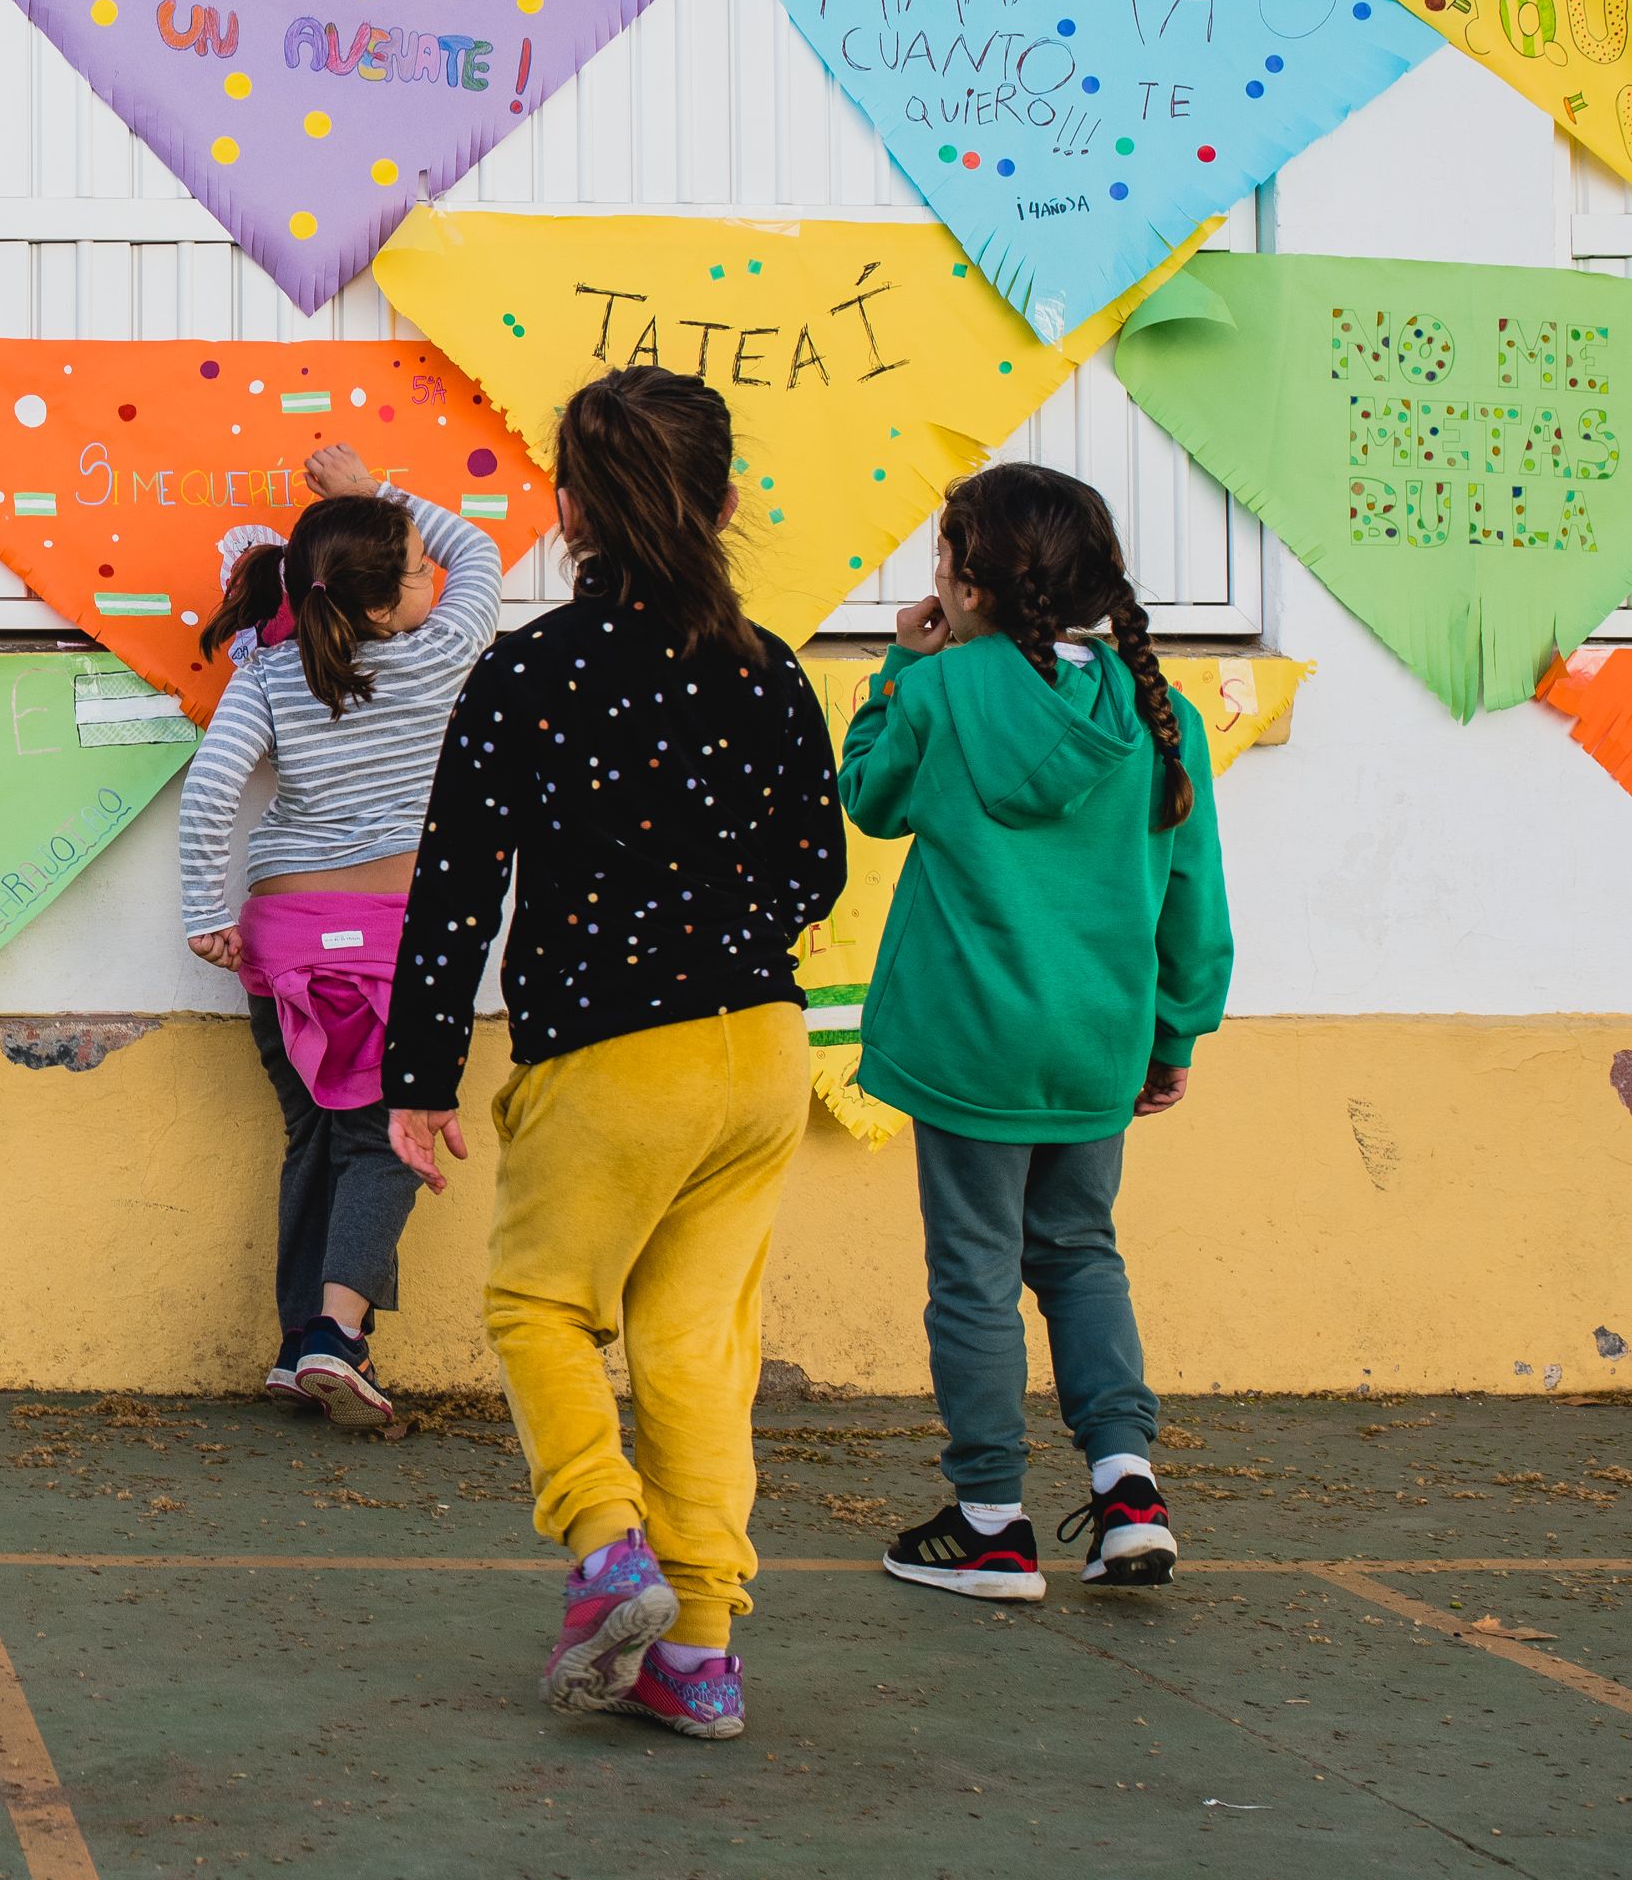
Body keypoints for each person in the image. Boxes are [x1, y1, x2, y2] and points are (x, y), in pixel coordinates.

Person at [373, 364, 846, 1742]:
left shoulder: (526, 671)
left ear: (566, 509)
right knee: (700, 1351)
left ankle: (605, 1543)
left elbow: (457, 884)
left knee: (539, 1308)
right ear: (726, 499)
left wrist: (416, 1074)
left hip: (608, 1055)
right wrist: (721, 918)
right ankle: (697, 1656)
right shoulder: (771, 674)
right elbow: (814, 874)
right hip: (757, 1052)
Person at [842, 464, 1229, 1604]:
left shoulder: (940, 694)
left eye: (944, 557)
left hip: (968, 1043)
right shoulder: (1158, 712)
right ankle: (1127, 1491)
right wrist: (1177, 1032)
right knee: (1079, 1255)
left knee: (973, 1273)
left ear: (970, 585)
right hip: (1096, 1042)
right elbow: (1191, 894)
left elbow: (866, 798)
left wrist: (900, 667)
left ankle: (991, 1521)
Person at [177, 445, 507, 1435]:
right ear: (377, 607)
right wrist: (375, 491)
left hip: (281, 936)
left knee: (312, 1134)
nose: (431, 577)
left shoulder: (274, 674)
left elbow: (211, 788)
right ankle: (336, 1336)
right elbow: (480, 551)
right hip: (391, 939)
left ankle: (295, 1347)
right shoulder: (442, 650)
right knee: (380, 1136)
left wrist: (204, 911)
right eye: (414, 571)